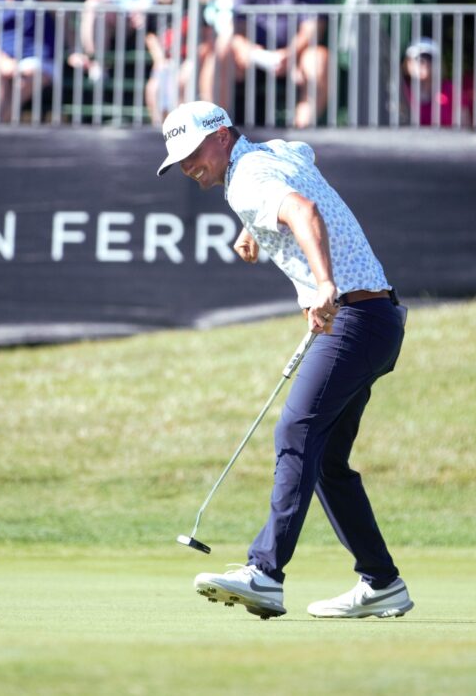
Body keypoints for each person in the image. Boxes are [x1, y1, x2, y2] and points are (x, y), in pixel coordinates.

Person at [156, 100, 414, 621]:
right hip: (377, 318)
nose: (188, 166)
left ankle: (265, 573)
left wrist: (323, 284)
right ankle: (381, 582)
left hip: (353, 318)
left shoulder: (248, 176)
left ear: (223, 136)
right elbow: (302, 155)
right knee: (327, 462)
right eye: (179, 159)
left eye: (194, 152)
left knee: (296, 431)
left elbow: (302, 210)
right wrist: (256, 227)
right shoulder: (268, 154)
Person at [202, 0, 327, 127]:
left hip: (295, 56)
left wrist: (289, 54)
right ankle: (217, 129)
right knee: (221, 51)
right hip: (253, 57)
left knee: (320, 58)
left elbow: (313, 29)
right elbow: (238, 31)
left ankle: (303, 129)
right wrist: (254, 52)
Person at [401, 36, 455, 127]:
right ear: (408, 64)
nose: (424, 64)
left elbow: (464, 126)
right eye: (418, 59)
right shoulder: (400, 91)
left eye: (429, 59)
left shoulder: (450, 90)